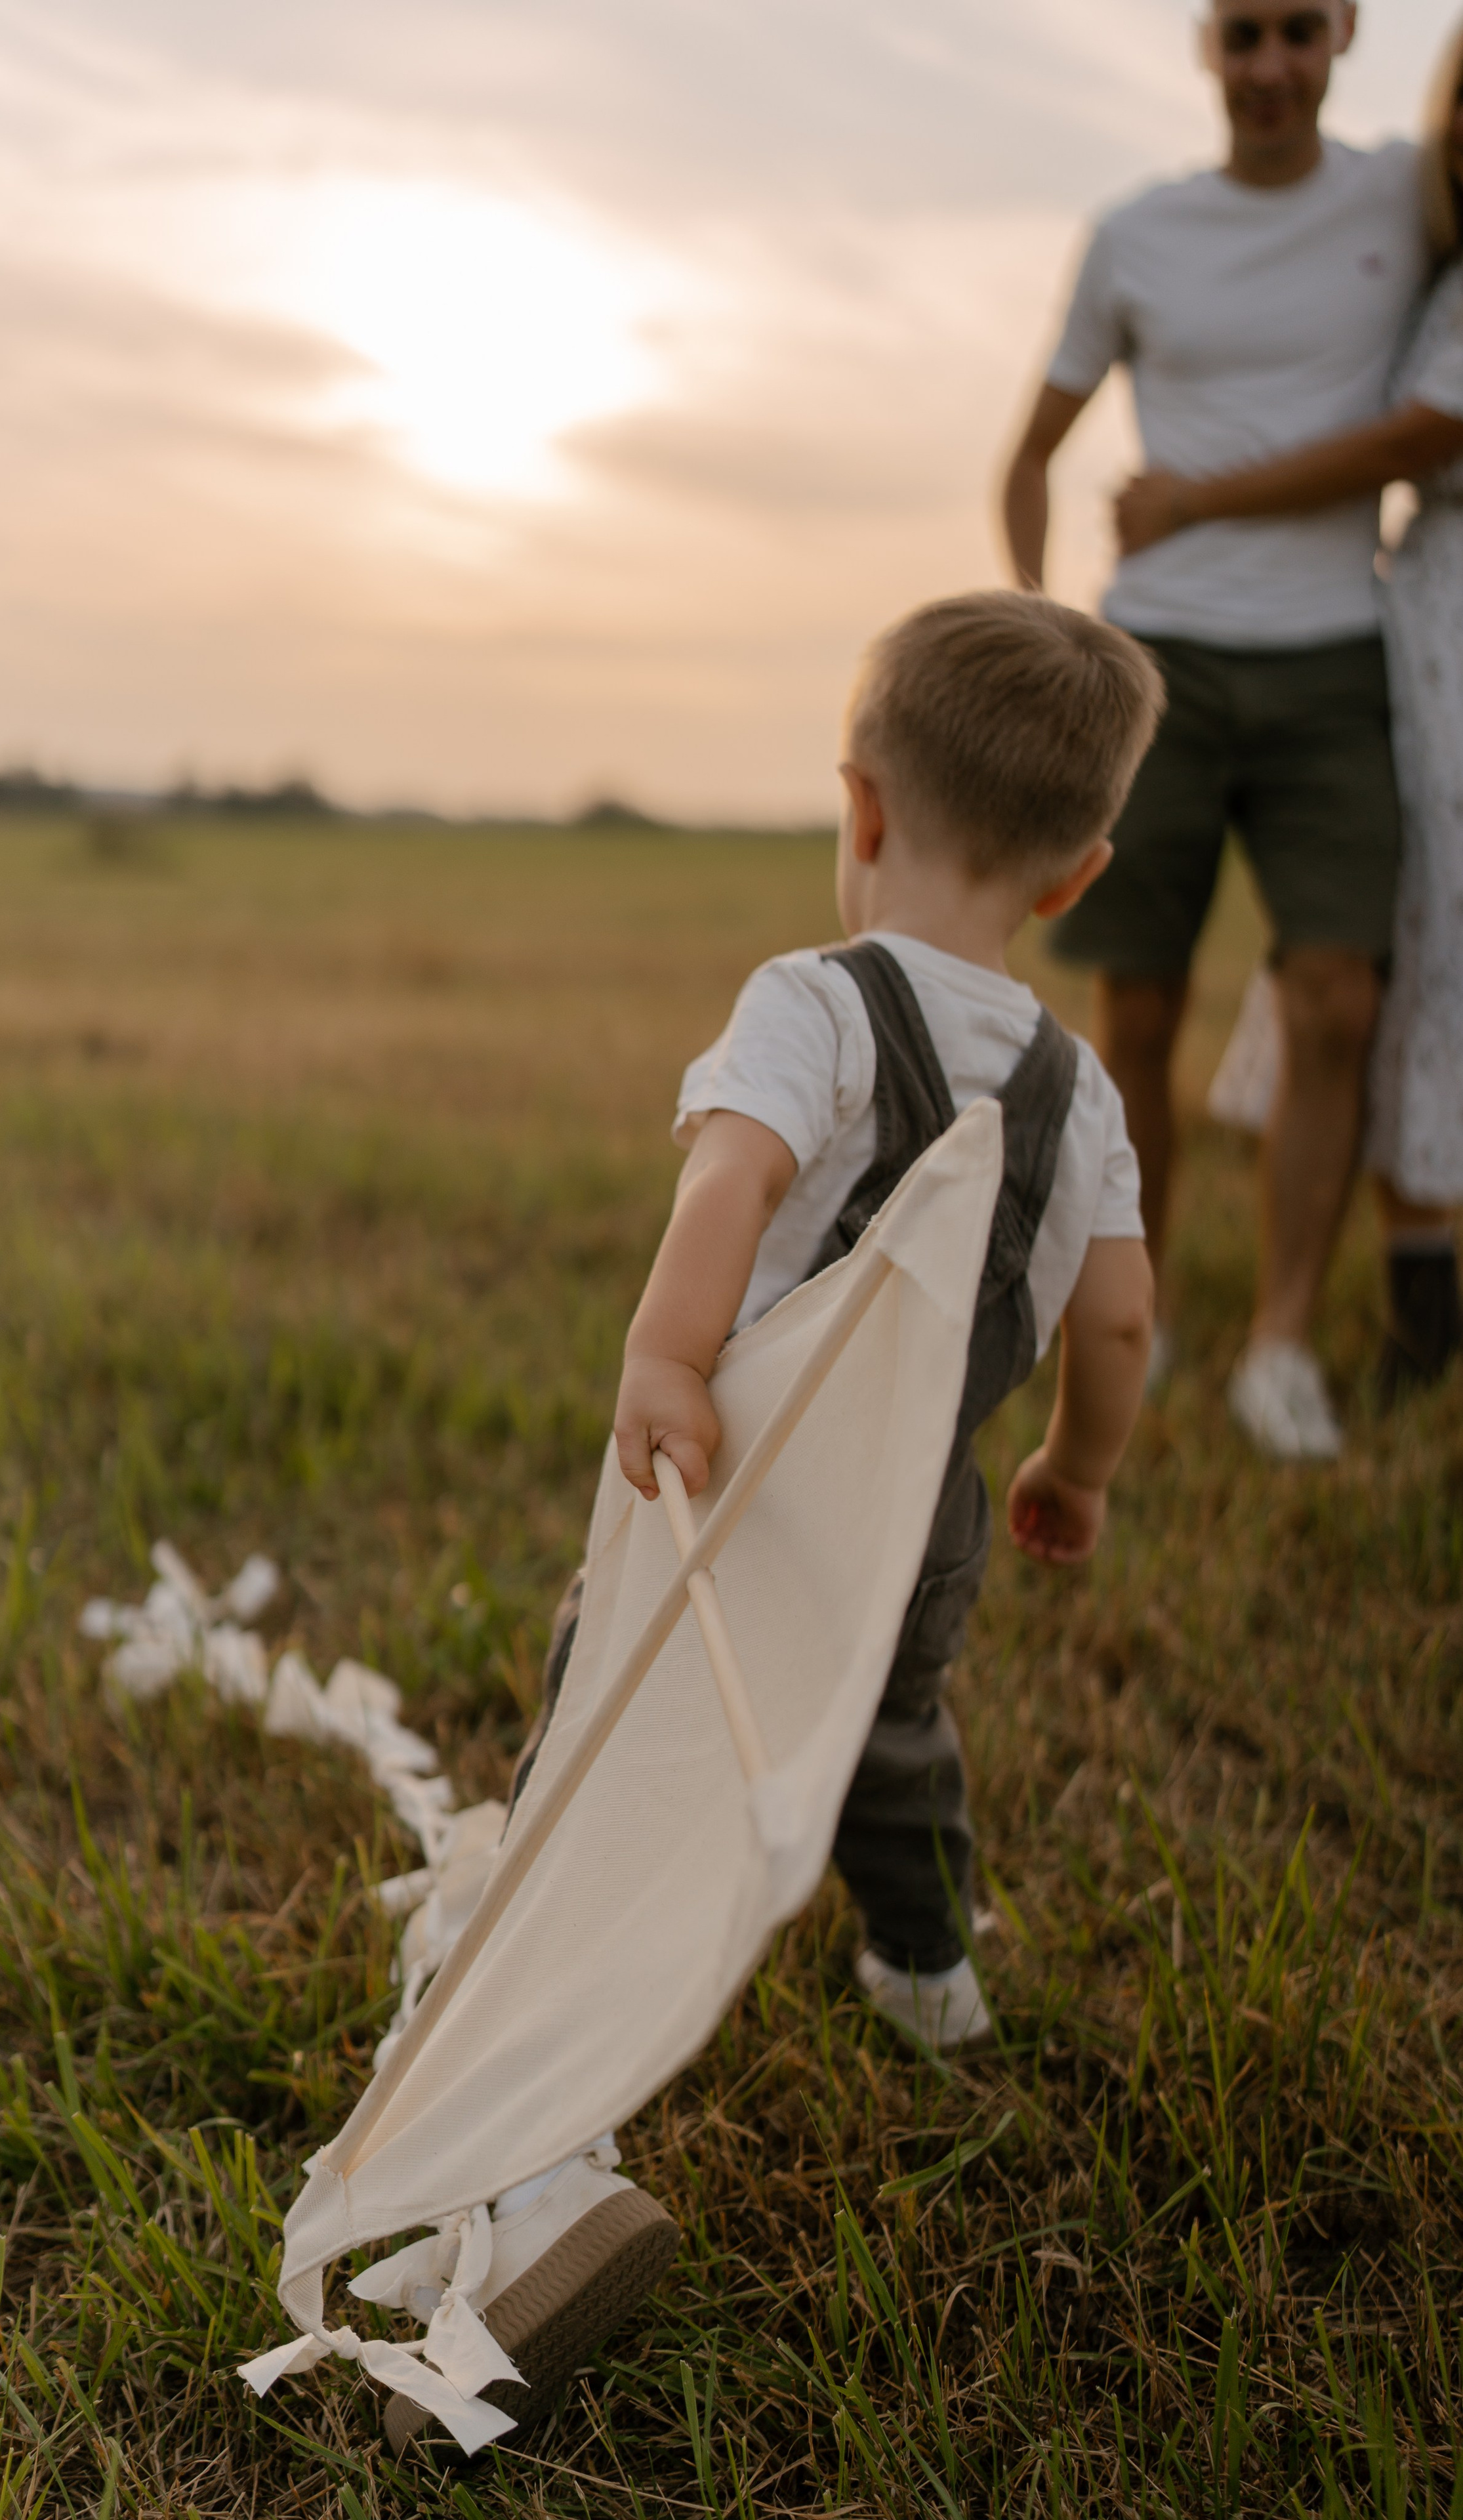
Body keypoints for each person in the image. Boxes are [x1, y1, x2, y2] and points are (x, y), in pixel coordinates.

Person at [379, 593, 1161, 2452]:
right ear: (1075, 881)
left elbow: (734, 1175)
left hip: (727, 1494)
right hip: (922, 1520)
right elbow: (1123, 1315)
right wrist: (1077, 1470)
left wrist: (667, 1353)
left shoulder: (811, 1002)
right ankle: (930, 1971)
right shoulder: (1080, 1091)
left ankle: (553, 2145)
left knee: (610, 1753)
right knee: (887, 1731)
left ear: (860, 809)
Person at [1000, 0, 1437, 1459]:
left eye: (1294, 35)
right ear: (1204, 49)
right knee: (1134, 1012)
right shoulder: (1134, 232)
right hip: (1156, 665)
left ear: (1342, 38)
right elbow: (1031, 456)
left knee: (1336, 1004)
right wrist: (1040, 627)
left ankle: (1280, 1345)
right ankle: (1140, 1310)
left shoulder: (1402, 192)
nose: (1267, 67)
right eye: (1240, 37)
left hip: (1334, 660)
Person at [1115, 18, 1463, 1404]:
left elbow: (1408, 439)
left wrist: (1191, 498)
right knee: (1405, 950)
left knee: (1403, 959)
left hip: (1406, 616)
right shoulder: (1416, 227)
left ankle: (1392, 1297)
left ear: (1339, 40)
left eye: (1294, 30)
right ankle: (1418, 1283)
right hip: (1410, 620)